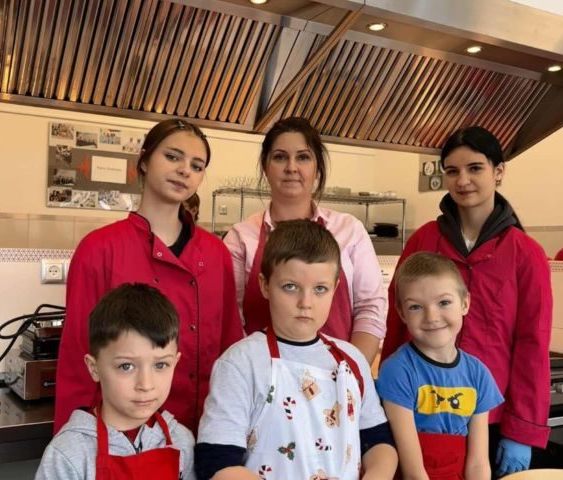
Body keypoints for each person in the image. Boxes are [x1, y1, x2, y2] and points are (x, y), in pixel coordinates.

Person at [380, 126, 553, 477]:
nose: (463, 180)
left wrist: (523, 430)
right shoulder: (423, 241)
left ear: (498, 171)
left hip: (490, 418)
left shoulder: (526, 253)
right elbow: (396, 324)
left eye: (475, 168)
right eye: (452, 170)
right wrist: (384, 402)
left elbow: (532, 344)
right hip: (418, 413)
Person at [54, 119, 244, 435]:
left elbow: (231, 349)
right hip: (123, 440)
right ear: (143, 161)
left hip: (206, 432)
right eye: (172, 157)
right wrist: (75, 440)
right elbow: (77, 358)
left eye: (197, 166)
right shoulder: (99, 249)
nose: (185, 170)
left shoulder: (216, 254)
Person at [196, 219, 397, 480]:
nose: (305, 302)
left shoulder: (352, 360)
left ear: (335, 288)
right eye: (290, 287)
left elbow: (378, 442)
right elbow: (216, 462)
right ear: (265, 285)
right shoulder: (241, 363)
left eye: (320, 289)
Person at [224, 117, 386, 365]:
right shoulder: (241, 238)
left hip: (338, 375)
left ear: (317, 168)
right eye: (280, 157)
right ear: (265, 167)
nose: (291, 167)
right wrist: (259, 376)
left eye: (303, 157)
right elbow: (232, 320)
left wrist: (350, 371)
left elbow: (370, 308)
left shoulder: (350, 230)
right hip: (263, 377)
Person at [36, 283, 196, 479]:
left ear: (176, 363)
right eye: (126, 366)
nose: (146, 385)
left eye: (160, 365)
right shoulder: (68, 454)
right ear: (94, 368)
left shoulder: (182, 442)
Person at [377, 252, 504, 479]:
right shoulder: (397, 371)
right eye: (416, 307)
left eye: (444, 302)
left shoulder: (479, 374)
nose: (432, 317)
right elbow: (413, 472)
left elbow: (478, 463)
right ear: (401, 312)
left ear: (465, 303)